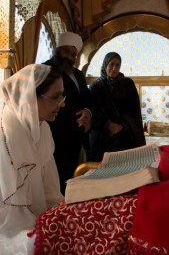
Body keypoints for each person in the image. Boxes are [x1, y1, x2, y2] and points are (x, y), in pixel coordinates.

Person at [0, 63, 64, 254]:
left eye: (62, 96)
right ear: (29, 98)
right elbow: (11, 215)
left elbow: (50, 191)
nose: (61, 103)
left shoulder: (42, 127)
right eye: (55, 97)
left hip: (36, 220)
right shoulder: (7, 135)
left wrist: (64, 214)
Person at [43, 31, 93, 195]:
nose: (69, 57)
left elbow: (87, 99)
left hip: (76, 136)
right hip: (56, 134)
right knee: (55, 180)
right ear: (57, 50)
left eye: (73, 54)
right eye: (65, 51)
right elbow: (50, 100)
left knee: (71, 178)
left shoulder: (77, 74)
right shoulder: (46, 69)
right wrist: (77, 115)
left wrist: (87, 112)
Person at [88, 52, 146, 162]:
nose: (114, 68)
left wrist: (121, 125)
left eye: (117, 65)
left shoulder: (128, 84)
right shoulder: (96, 86)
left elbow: (134, 109)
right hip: (102, 136)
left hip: (125, 135)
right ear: (105, 65)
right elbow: (93, 109)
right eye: (111, 64)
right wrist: (108, 124)